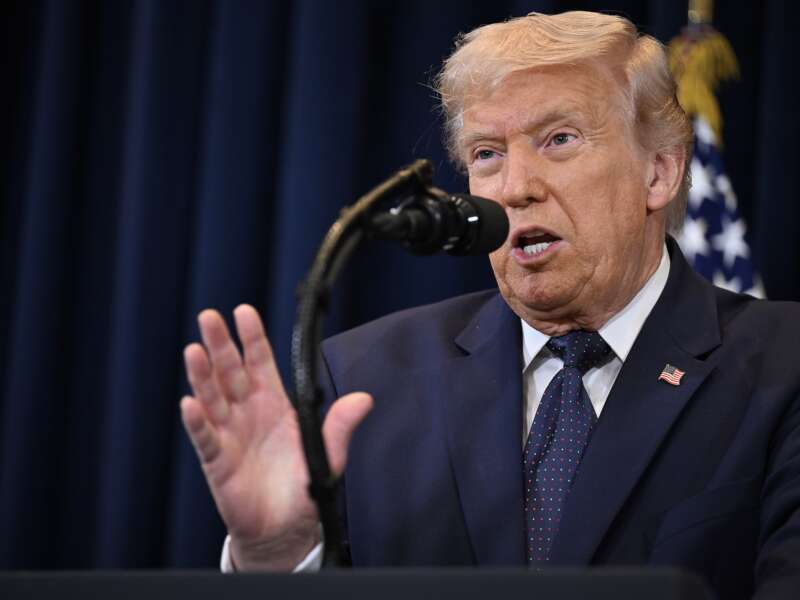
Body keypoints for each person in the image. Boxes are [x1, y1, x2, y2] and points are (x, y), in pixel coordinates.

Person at [180, 11, 799, 599]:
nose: (514, 187)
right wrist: (279, 555)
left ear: (658, 173)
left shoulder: (782, 366)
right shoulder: (364, 380)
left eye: (559, 139)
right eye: (487, 154)